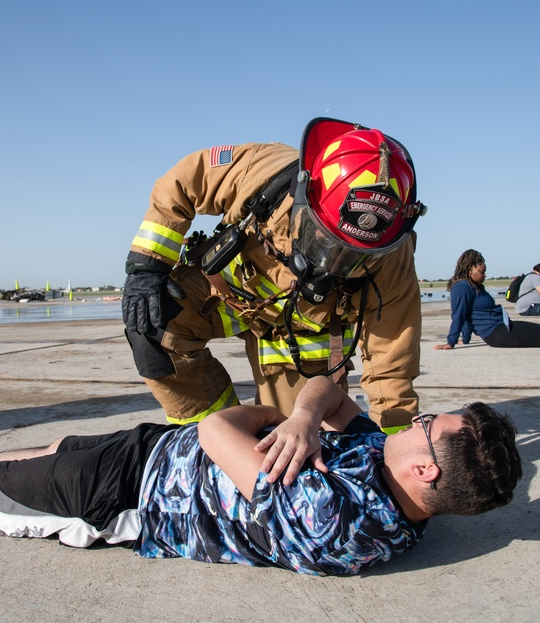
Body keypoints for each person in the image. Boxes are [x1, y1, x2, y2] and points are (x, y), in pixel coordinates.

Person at [0, 378, 523, 577]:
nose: (417, 417)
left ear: (426, 464)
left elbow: (217, 428)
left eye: (429, 422)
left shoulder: (333, 513)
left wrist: (278, 414)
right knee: (54, 445)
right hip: (157, 455)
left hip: (126, 500)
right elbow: (330, 388)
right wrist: (299, 416)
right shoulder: (394, 477)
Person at [122, 118, 427, 432]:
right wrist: (147, 265)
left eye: (354, 256)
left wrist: (396, 438)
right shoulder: (260, 168)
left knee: (297, 440)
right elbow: (182, 181)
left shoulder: (393, 257)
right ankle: (213, 436)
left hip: (304, 331)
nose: (332, 263)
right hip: (231, 295)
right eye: (324, 240)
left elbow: (391, 362)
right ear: (306, 193)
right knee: (152, 322)